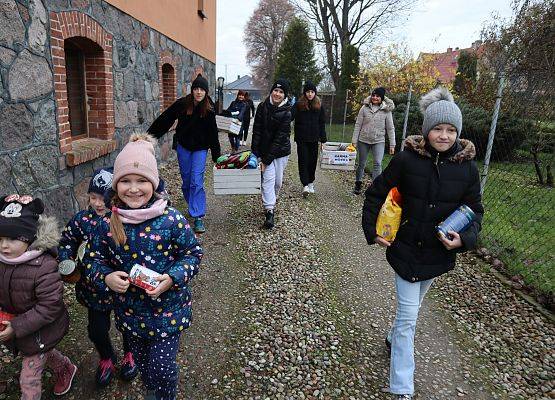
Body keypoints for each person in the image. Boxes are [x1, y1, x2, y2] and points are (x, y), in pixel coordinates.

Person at [361, 87, 483, 399]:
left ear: (458, 132)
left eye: (451, 130)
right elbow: (376, 191)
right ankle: (402, 387)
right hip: (405, 250)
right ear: (427, 130)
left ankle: (392, 338)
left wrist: (464, 240)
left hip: (436, 255)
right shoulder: (406, 160)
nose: (444, 135)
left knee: (411, 310)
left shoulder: (467, 168)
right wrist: (372, 229)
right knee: (409, 319)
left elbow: (475, 212)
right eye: (438, 129)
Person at [87, 133, 203, 400]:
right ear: (115, 187)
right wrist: (106, 277)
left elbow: (193, 254)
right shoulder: (108, 224)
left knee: (162, 369)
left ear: (154, 183)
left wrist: (172, 278)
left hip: (168, 312)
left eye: (142, 181)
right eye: (125, 181)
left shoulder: (171, 219)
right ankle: (154, 387)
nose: (134, 188)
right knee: (143, 366)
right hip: (130, 314)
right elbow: (93, 261)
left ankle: (164, 393)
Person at [58, 167, 138, 387]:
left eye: (104, 198)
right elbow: (66, 240)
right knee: (96, 330)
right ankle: (106, 357)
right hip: (93, 289)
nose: (98, 203)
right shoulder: (81, 220)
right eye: (93, 197)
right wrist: (66, 260)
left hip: (124, 290)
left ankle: (130, 355)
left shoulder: (125, 220)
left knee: (128, 327)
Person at [0, 195, 77, 398]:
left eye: (12, 239)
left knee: (29, 377)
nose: (4, 246)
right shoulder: (3, 260)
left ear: (28, 238)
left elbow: (50, 306)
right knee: (43, 353)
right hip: (20, 327)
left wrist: (16, 327)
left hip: (42, 329)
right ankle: (66, 368)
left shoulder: (44, 266)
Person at [148, 74, 221, 234]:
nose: (199, 92)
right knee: (187, 181)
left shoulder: (209, 108)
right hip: (184, 147)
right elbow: (166, 118)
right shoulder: (183, 104)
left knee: (196, 181)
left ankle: (197, 215)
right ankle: (192, 204)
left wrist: (216, 156)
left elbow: (213, 133)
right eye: (196, 89)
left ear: (206, 92)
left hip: (200, 149)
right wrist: (149, 136)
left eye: (202, 89)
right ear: (192, 90)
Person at [251, 79, 292, 229]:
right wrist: (255, 153)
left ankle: (271, 201)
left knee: (277, 182)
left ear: (284, 95)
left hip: (280, 153)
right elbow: (257, 130)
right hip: (264, 150)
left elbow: (280, 138)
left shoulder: (287, 112)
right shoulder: (262, 107)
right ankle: (269, 211)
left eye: (281, 92)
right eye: (276, 90)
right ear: (271, 91)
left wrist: (267, 160)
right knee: (268, 180)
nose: (277, 94)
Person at [352, 87, 396, 195]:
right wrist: (354, 140)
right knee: (362, 163)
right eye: (373, 95)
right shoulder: (364, 108)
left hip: (379, 140)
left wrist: (392, 144)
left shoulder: (386, 111)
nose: (375, 98)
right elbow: (358, 124)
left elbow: (390, 128)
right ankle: (358, 184)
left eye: (377, 96)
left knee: (377, 163)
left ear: (381, 98)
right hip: (363, 140)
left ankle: (375, 187)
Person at [291, 81, 327, 197]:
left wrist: (323, 139)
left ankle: (311, 182)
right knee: (303, 160)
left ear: (315, 93)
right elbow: (290, 117)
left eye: (312, 92)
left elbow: (322, 123)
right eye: (308, 91)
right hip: (302, 138)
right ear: (305, 93)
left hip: (314, 138)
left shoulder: (319, 106)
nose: (310, 94)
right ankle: (305, 184)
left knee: (312, 161)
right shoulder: (298, 105)